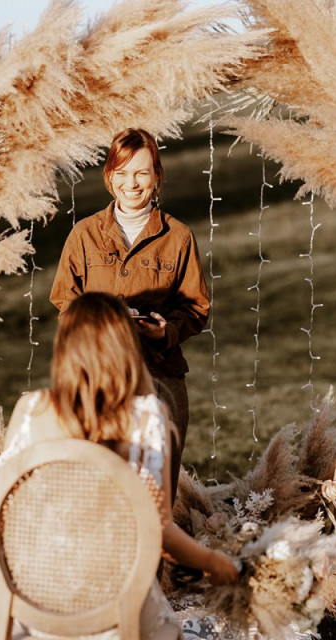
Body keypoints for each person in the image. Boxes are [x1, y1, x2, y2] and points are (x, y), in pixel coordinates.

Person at [0, 292, 237, 639]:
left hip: (34, 596)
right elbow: (159, 532)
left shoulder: (30, 410)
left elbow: (3, 507)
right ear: (126, 346)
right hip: (112, 601)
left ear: (65, 347)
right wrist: (213, 563)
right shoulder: (145, 418)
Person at [49, 127, 209, 501]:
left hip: (160, 378)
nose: (131, 184)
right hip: (96, 381)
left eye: (141, 172)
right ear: (109, 177)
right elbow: (64, 300)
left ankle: (157, 561)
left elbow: (197, 308)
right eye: (121, 173)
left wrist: (165, 331)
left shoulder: (178, 237)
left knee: (155, 497)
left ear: (157, 176)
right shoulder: (84, 235)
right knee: (97, 491)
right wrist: (99, 328)